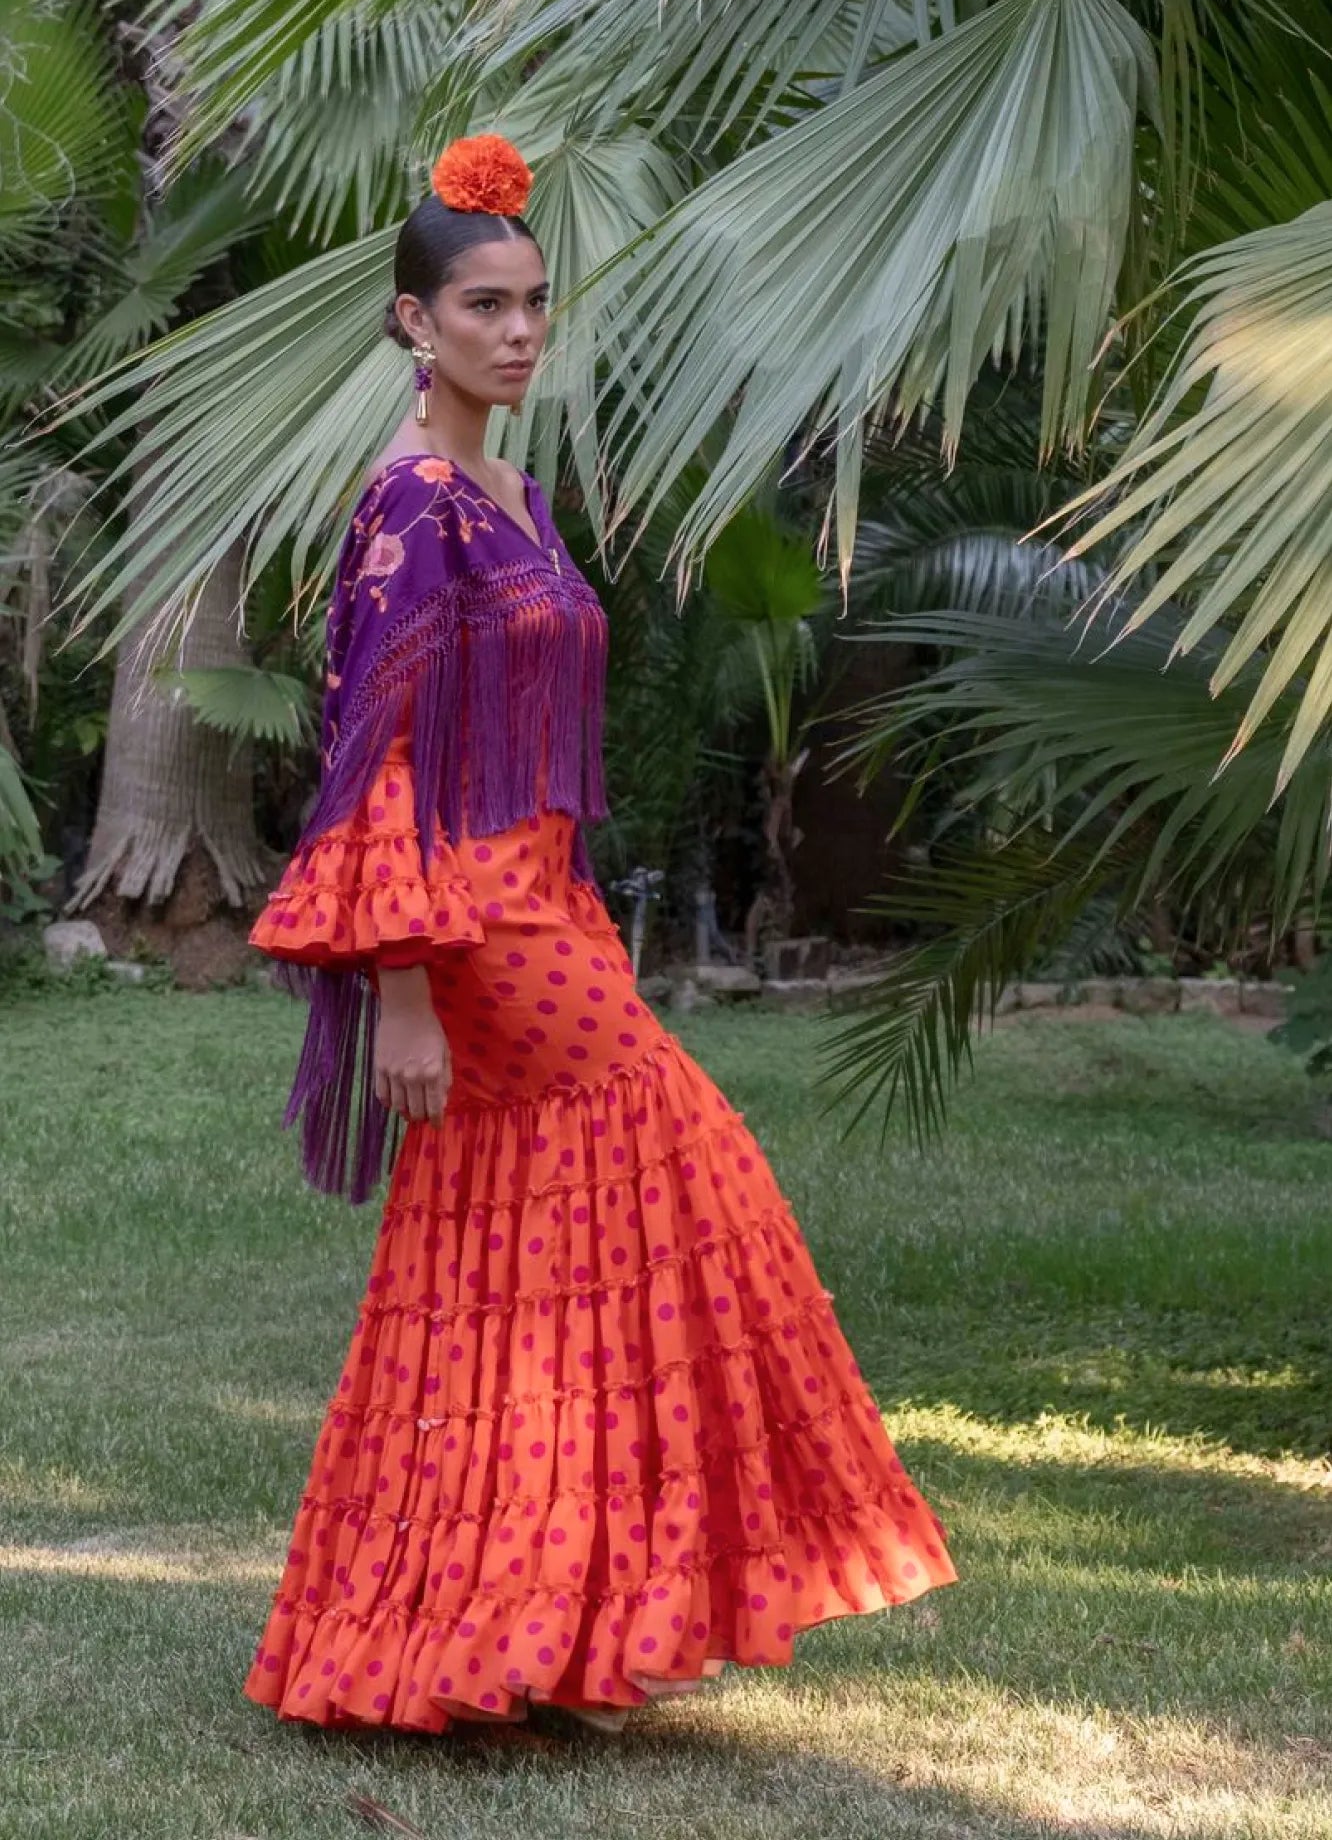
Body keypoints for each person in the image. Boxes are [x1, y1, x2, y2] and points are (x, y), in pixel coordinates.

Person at [242, 133, 956, 1739]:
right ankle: (526, 1615)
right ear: (411, 326)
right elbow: (385, 754)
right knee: (679, 1184)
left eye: (534, 303)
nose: (516, 331)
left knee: (528, 1258)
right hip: (479, 931)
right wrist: (406, 993)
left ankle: (496, 1636)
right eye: (482, 305)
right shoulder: (411, 502)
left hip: (546, 900)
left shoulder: (517, 489)